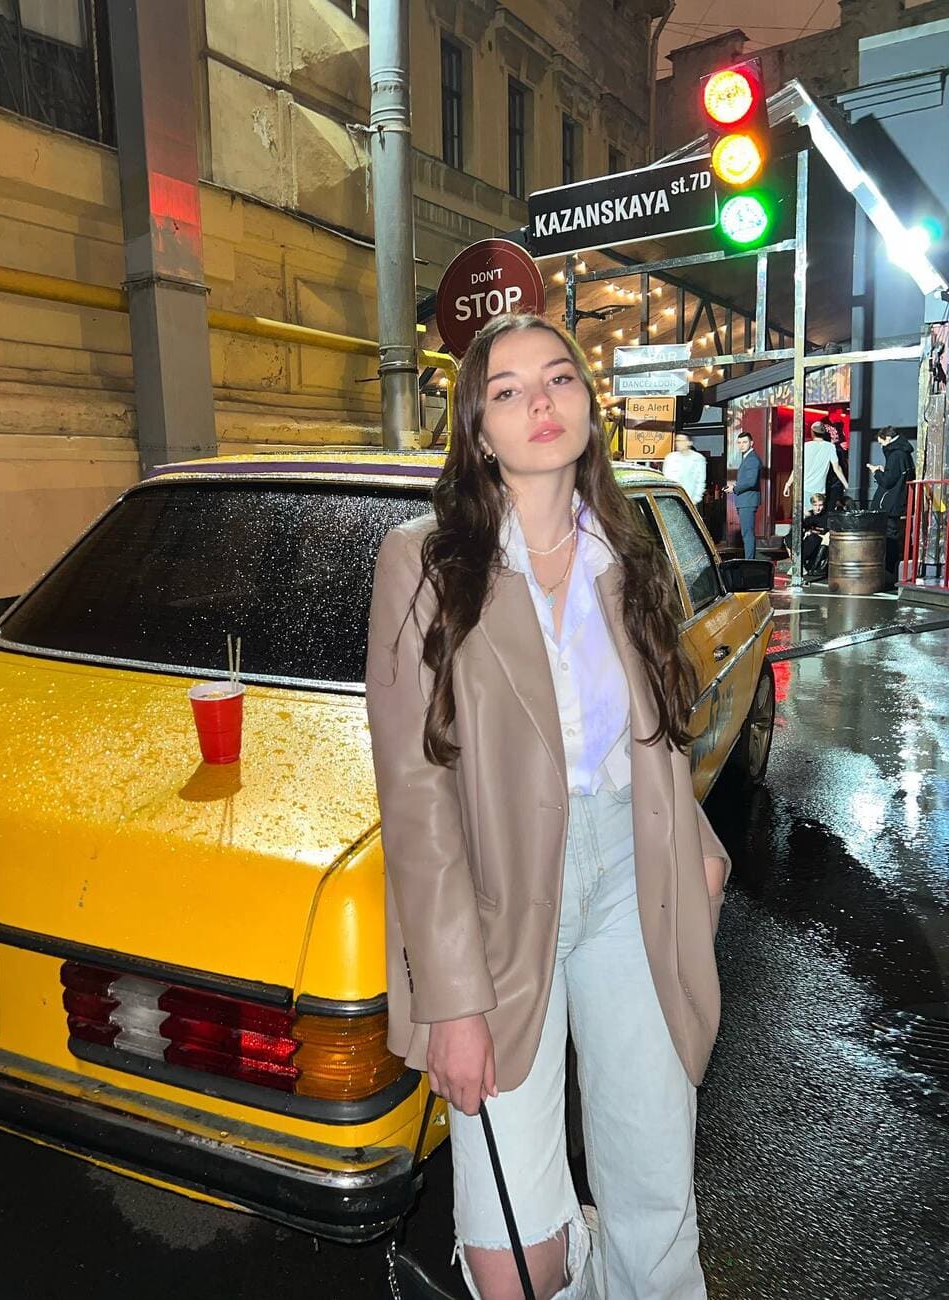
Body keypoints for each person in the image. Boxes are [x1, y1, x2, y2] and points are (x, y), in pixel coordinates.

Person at [366, 313, 730, 1300]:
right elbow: (416, 797)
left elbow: (655, 734)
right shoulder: (424, 563)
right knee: (512, 1251)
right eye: (507, 389)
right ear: (478, 431)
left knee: (654, 1185)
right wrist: (450, 999)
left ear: (586, 407)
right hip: (494, 902)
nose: (539, 400)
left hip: (633, 881)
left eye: (559, 378)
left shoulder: (627, 548)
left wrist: (698, 852)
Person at [868, 426, 916, 580]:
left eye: (881, 443)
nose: (881, 446)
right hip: (898, 500)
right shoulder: (904, 453)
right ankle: (893, 569)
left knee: (890, 536)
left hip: (890, 502)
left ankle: (890, 570)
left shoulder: (895, 455)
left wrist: (876, 472)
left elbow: (888, 481)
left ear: (888, 439)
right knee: (894, 534)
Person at [782, 420, 849, 508]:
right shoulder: (830, 447)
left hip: (805, 488)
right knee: (818, 513)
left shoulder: (805, 446)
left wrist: (788, 484)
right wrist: (847, 485)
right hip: (820, 490)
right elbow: (837, 469)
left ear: (812, 432)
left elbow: (796, 469)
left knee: (805, 513)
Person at [725, 430, 762, 559]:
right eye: (739, 442)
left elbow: (751, 482)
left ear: (751, 443)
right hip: (745, 500)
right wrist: (736, 485)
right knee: (746, 533)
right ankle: (749, 560)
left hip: (748, 501)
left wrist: (735, 488)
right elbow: (748, 480)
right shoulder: (747, 458)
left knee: (747, 533)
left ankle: (749, 561)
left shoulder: (752, 459)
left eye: (744, 442)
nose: (741, 445)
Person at [786, 492, 829, 575]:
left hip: (818, 544)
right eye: (815, 505)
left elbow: (825, 532)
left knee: (813, 538)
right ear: (812, 505)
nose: (818, 508)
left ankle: (798, 564)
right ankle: (798, 564)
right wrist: (803, 518)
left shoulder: (826, 516)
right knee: (789, 537)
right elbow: (798, 528)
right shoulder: (810, 515)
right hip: (806, 542)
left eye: (820, 505)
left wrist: (811, 532)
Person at [662, 432, 707, 506]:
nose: (678, 443)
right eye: (677, 441)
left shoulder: (698, 459)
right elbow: (666, 479)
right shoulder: (670, 458)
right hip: (671, 500)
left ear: (689, 443)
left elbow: (700, 482)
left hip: (690, 501)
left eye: (681, 441)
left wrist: (694, 500)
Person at [826, 424, 849, 512]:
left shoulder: (837, 448)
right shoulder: (835, 449)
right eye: (833, 433)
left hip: (835, 481)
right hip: (834, 481)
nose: (836, 435)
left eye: (836, 433)